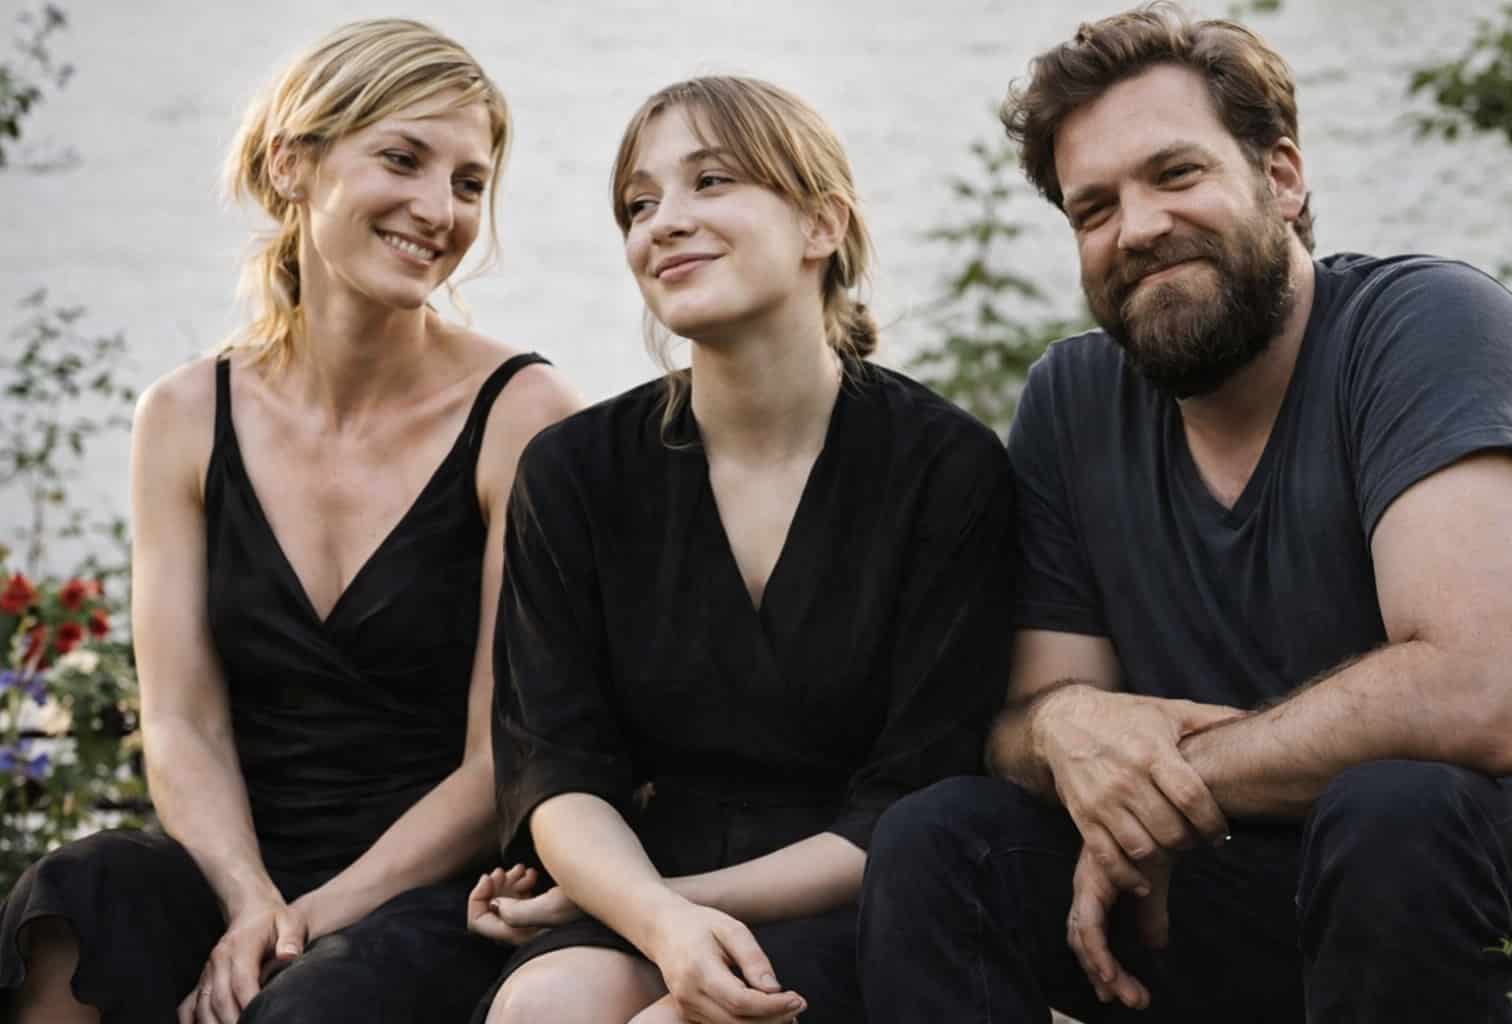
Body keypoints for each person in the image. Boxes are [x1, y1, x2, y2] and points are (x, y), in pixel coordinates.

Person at [858, 4, 1512, 1023]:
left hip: (1453, 881)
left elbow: (1480, 691)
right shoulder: (1073, 399)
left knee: (1395, 808)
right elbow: (1034, 715)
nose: (1137, 229)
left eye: (1175, 174)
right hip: (1202, 892)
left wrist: (1160, 788)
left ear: (1281, 176)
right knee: (943, 843)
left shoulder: (1425, 325)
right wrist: (1067, 728)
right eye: (1093, 209)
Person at [0, 18, 580, 1024]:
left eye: (469, 183)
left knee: (312, 1005)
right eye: (402, 159)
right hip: (239, 869)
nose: (439, 209)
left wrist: (302, 922)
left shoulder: (522, 414)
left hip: (434, 887)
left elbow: (501, 762)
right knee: (78, 897)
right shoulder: (183, 416)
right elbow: (183, 722)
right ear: (292, 164)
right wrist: (248, 899)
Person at [461, 75, 1014, 1024]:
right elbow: (558, 768)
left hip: (865, 900)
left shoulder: (945, 467)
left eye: (710, 181)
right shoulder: (574, 470)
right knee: (543, 1008)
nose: (664, 222)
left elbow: (912, 799)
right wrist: (653, 917)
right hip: (644, 882)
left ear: (821, 224)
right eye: (640, 204)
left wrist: (674, 907)